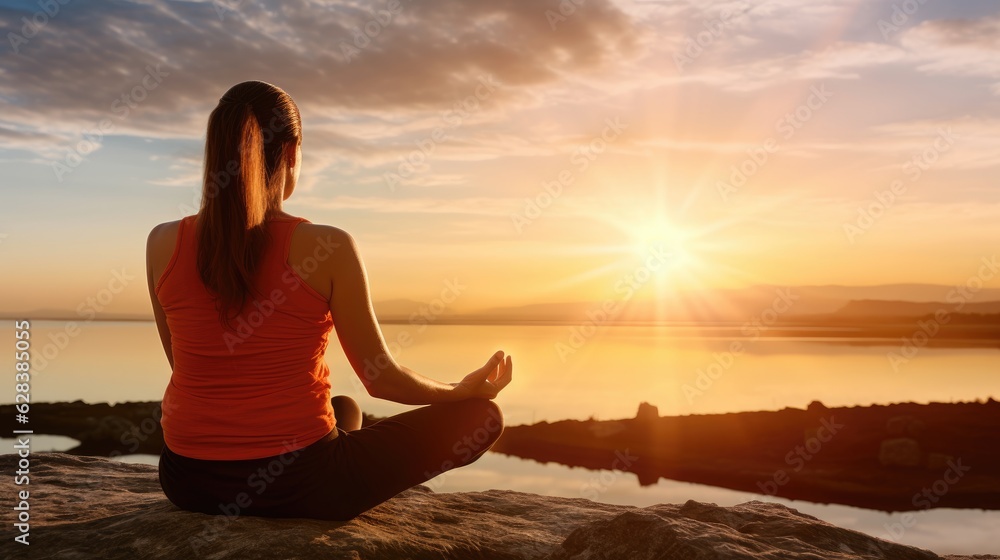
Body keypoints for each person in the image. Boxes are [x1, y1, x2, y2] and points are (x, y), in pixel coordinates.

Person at [145, 80, 513, 521]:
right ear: (292, 153)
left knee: (346, 409)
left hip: (187, 480)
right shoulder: (327, 246)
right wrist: (458, 390)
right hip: (299, 485)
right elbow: (383, 379)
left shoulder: (162, 241)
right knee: (481, 418)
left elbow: (182, 363)